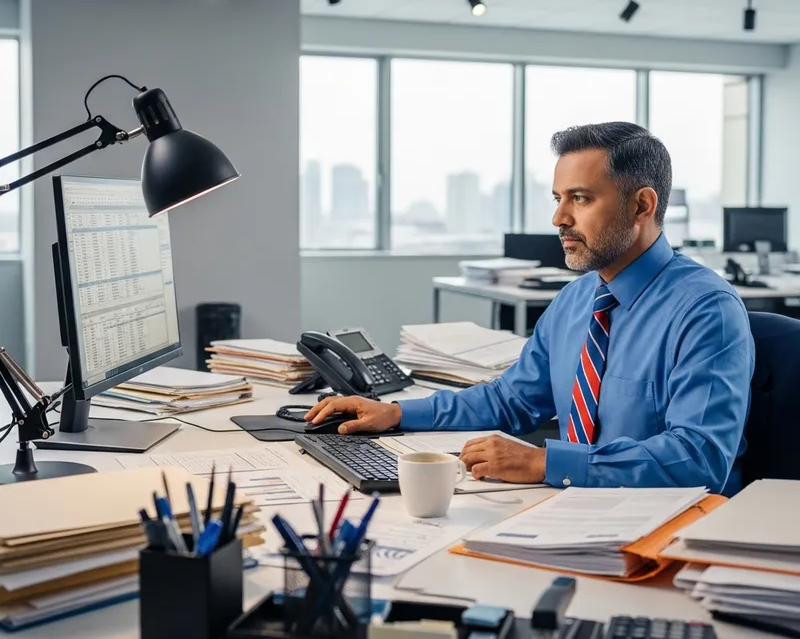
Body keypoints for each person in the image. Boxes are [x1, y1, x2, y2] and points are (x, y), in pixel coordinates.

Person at [305, 122, 755, 496]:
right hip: (571, 511)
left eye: (580, 198)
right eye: (558, 199)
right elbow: (511, 400)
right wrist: (398, 414)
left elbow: (699, 459)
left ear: (642, 205)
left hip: (669, 526)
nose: (559, 218)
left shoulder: (705, 310)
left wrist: (545, 461)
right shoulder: (576, 301)